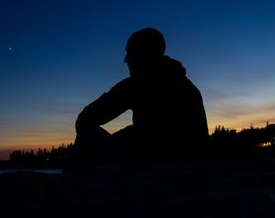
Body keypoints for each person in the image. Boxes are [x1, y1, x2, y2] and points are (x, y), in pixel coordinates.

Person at [69, 28, 208, 169]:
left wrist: (119, 139)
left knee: (85, 135)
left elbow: (85, 120)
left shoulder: (136, 85)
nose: (125, 60)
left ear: (145, 52)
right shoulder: (186, 85)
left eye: (130, 52)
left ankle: (69, 183)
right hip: (184, 163)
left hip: (157, 162)